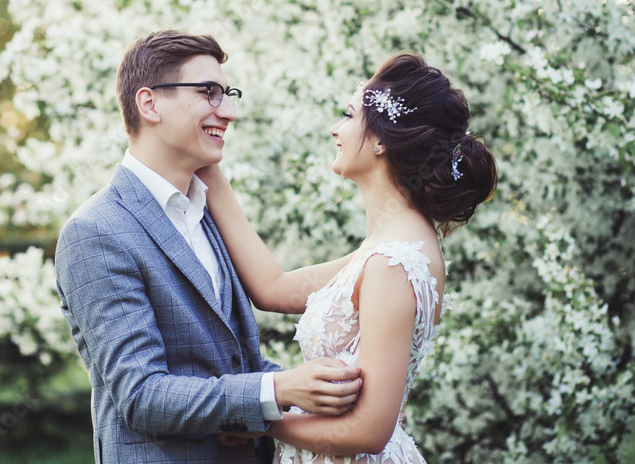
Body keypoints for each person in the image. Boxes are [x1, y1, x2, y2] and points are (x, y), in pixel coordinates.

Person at [55, 29, 364, 464]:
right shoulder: (95, 232)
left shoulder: (206, 210)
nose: (230, 112)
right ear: (150, 104)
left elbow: (229, 365)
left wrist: (322, 389)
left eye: (228, 94)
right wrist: (280, 389)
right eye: (210, 93)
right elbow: (142, 396)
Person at [200, 52, 498, 463]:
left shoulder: (393, 262)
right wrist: (210, 170)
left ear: (380, 140)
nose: (334, 128)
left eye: (348, 115)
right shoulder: (390, 245)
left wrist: (258, 416)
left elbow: (370, 430)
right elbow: (274, 289)